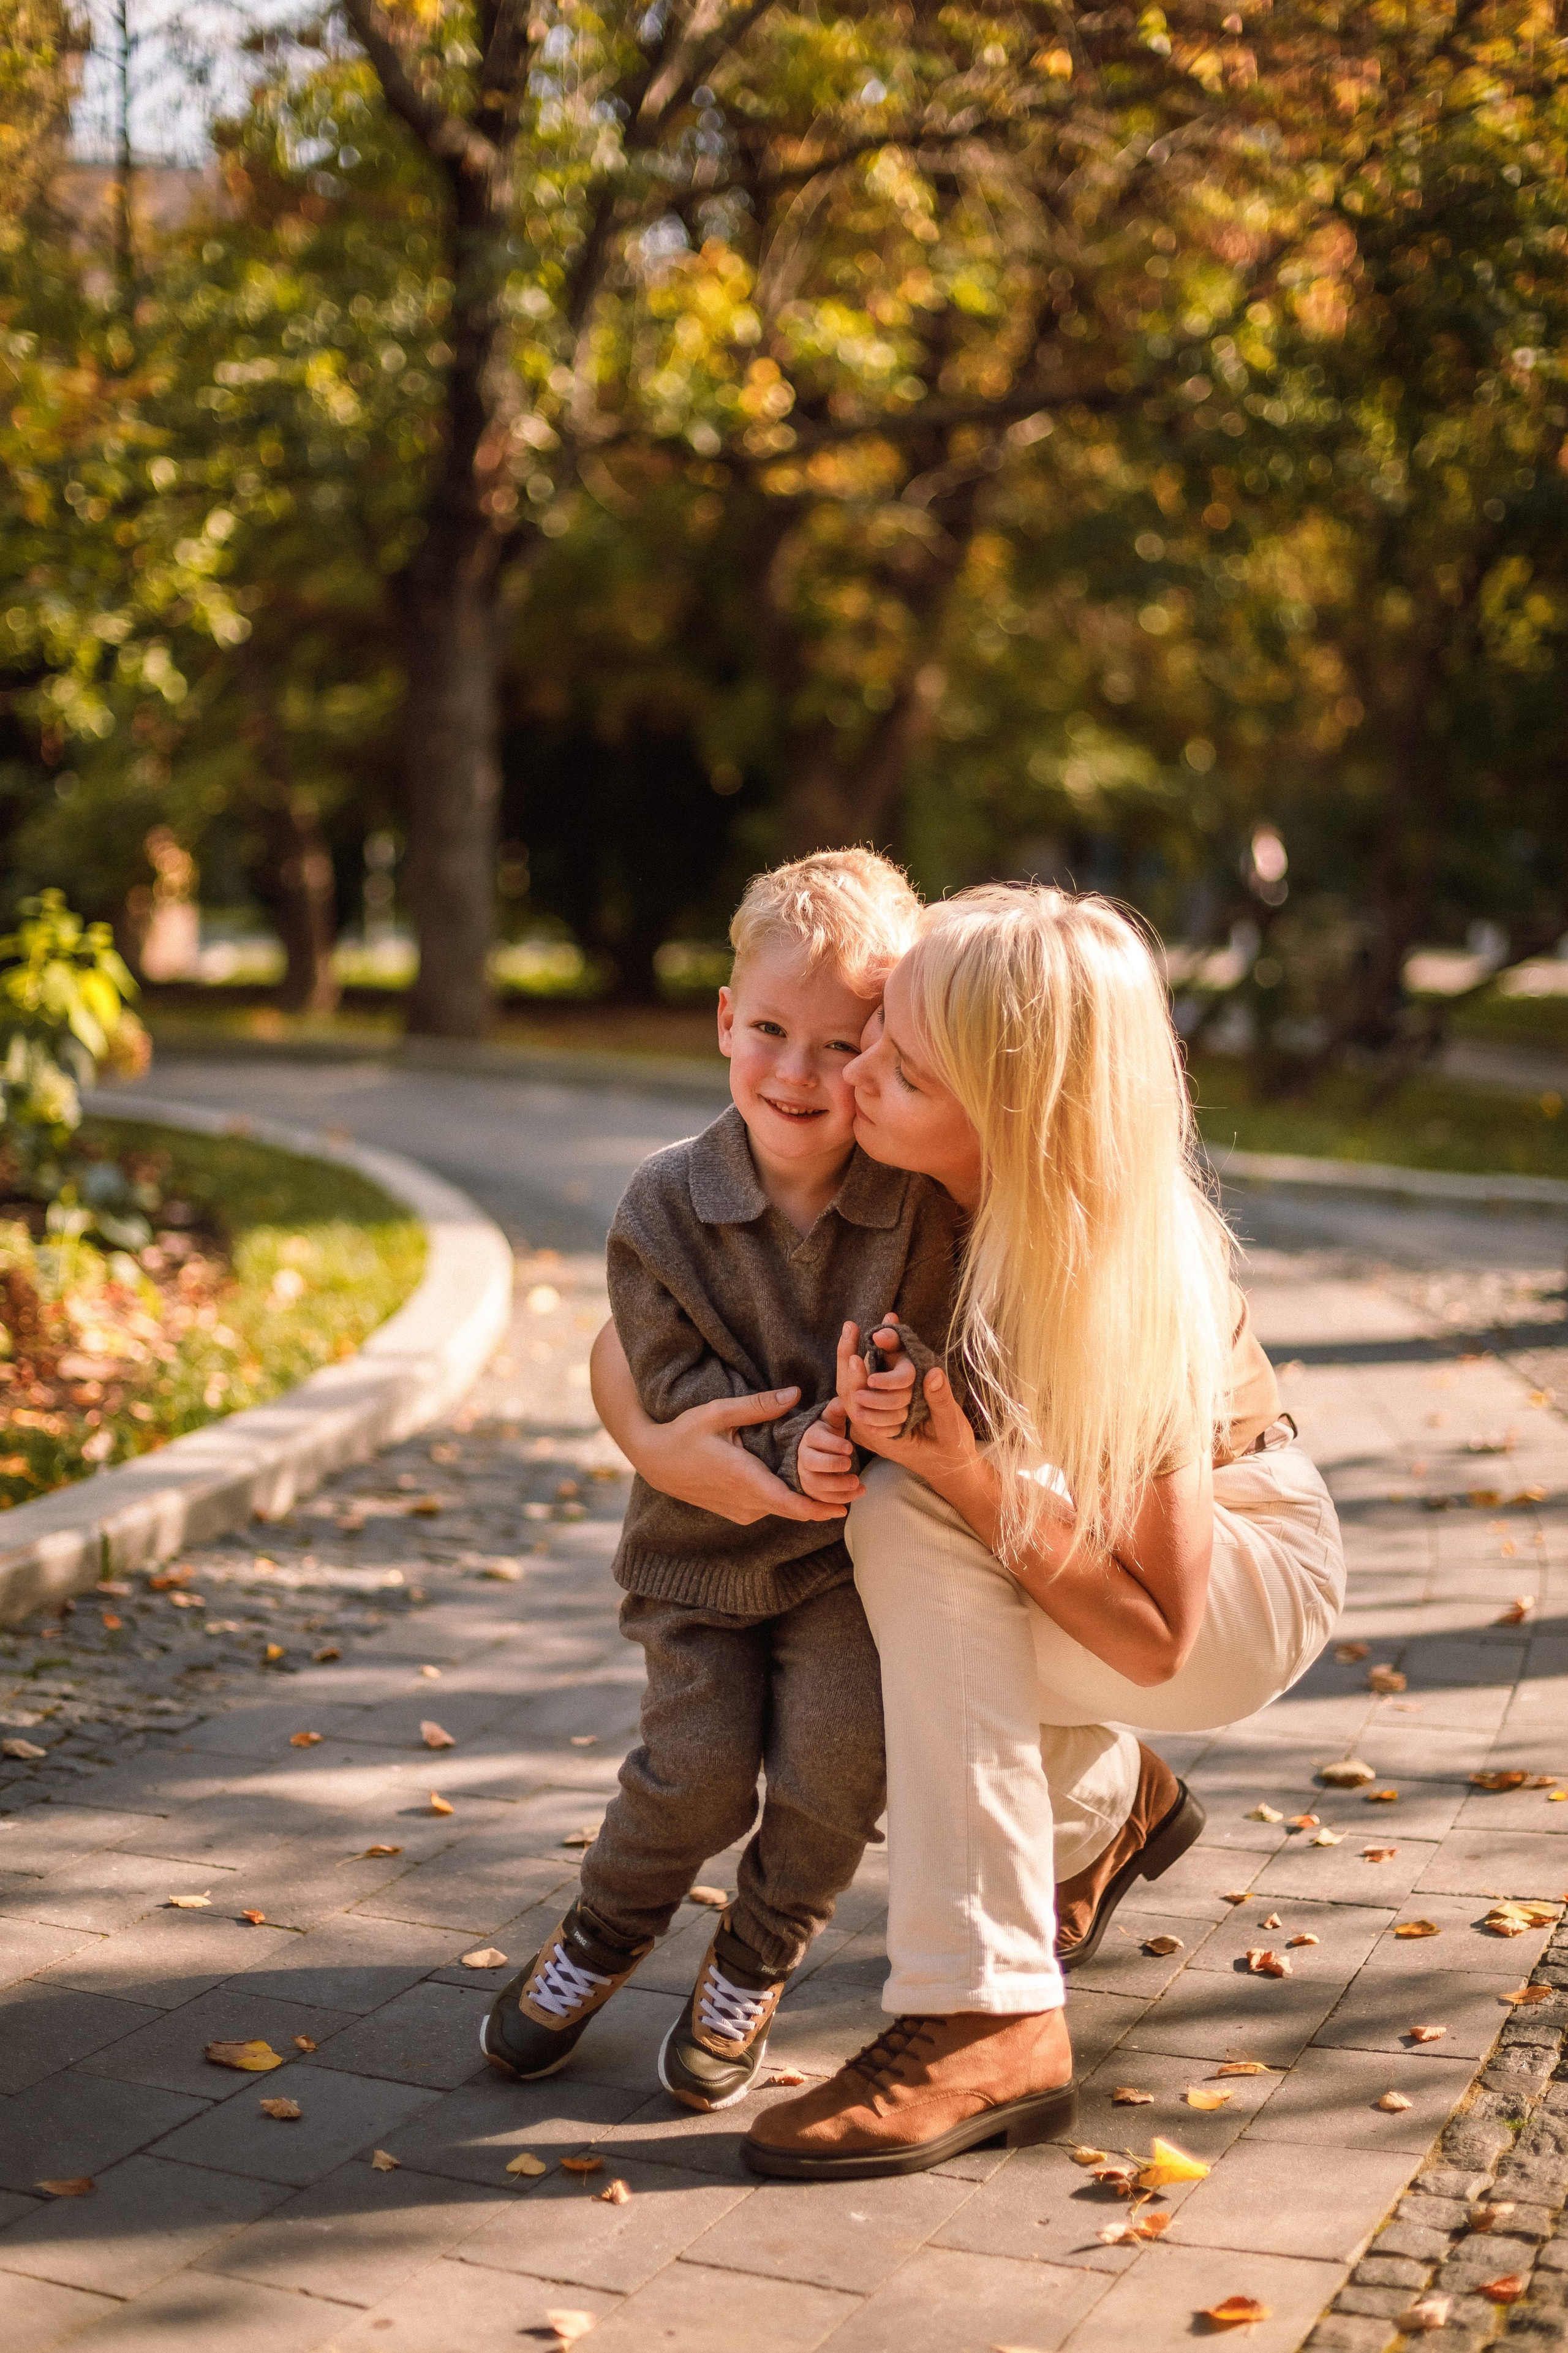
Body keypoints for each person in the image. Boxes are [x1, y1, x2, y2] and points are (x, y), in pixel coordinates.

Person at [594, 885, 1344, 2180]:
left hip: (1237, 1568)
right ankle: (1106, 1803)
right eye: (871, 1031)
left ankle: (983, 2016)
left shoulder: (1128, 1257)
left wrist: (961, 1467)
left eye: (896, 1058)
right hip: (1074, 1549)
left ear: (1000, 1105)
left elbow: (1162, 1632)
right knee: (883, 1602)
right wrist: (661, 1449)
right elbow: (631, 1327)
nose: (854, 1071)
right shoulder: (915, 1169)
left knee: (898, 1520)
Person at [482, 849, 965, 2112]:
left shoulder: (918, 1205)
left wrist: (865, 1417)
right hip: (700, 1550)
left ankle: (750, 1965)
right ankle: (600, 1932)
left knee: (836, 1776)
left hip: (848, 1566)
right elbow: (666, 1378)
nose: (796, 1074)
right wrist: (777, 1453)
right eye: (767, 1031)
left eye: (838, 1043)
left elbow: (927, 1348)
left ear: (883, 1051)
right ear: (723, 1022)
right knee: (689, 1779)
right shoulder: (661, 1205)